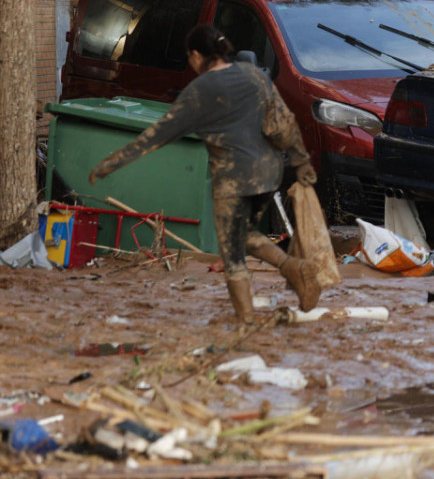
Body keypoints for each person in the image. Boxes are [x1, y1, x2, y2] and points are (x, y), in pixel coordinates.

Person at [89, 25, 322, 325]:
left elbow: (157, 135)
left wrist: (110, 163)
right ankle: (293, 268)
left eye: (190, 57)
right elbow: (283, 121)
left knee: (232, 253)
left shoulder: (198, 92)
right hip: (269, 173)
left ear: (198, 55)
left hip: (234, 180)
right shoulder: (253, 74)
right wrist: (301, 161)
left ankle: (247, 322)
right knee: (243, 236)